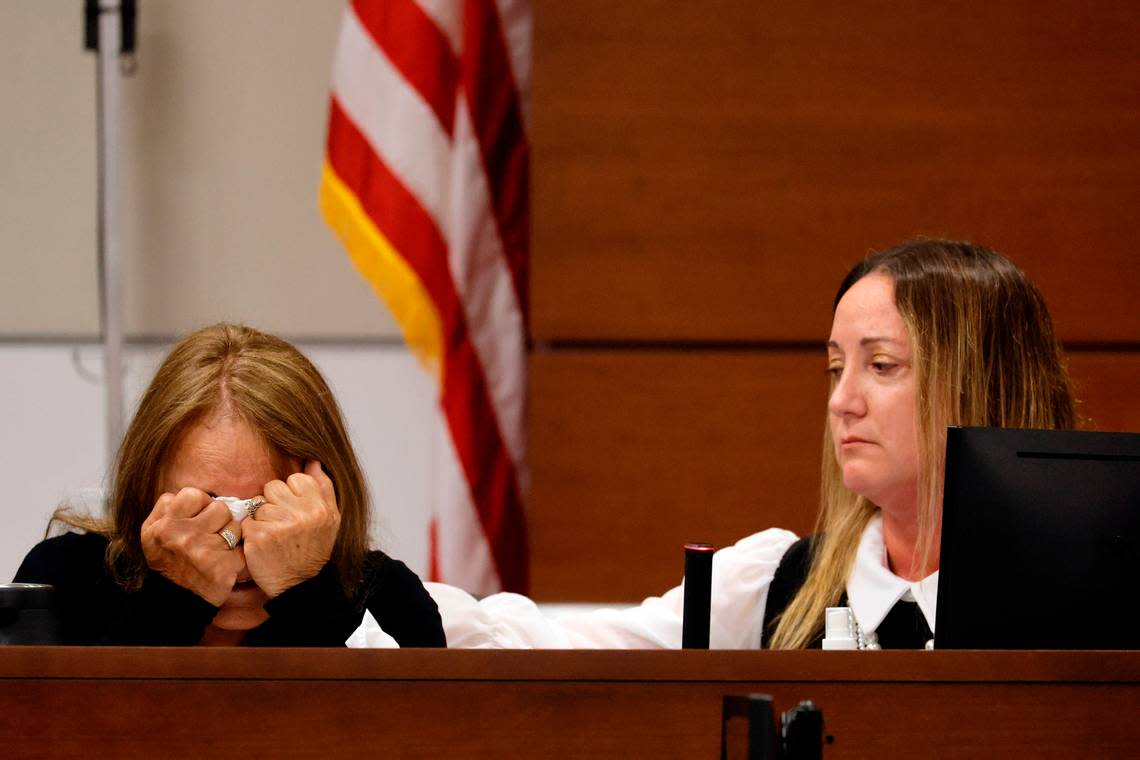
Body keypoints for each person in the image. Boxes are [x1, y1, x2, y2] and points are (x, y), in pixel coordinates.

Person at [365, 238, 1075, 650]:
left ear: (981, 382)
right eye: (835, 367)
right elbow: (559, 649)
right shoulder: (775, 584)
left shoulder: (1081, 597)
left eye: (881, 366)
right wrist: (355, 585)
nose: (841, 400)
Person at [14, 323, 445, 647]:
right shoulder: (60, 583)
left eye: (269, 508)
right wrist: (173, 602)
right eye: (205, 506)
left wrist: (304, 594)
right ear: (147, 491)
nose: (237, 544)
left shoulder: (387, 599)